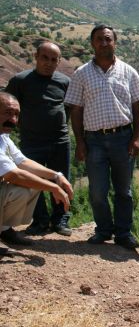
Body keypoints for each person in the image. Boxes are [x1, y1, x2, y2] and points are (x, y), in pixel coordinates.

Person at [64, 24, 139, 249]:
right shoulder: (81, 73)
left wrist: (137, 138)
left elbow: (137, 106)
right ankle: (103, 230)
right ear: (92, 43)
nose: (104, 43)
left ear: (115, 42)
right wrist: (80, 142)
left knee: (124, 191)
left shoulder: (128, 71)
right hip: (94, 141)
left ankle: (123, 233)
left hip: (123, 138)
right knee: (98, 191)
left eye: (108, 39)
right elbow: (76, 110)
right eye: (99, 39)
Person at [5, 41, 72, 238]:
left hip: (59, 141)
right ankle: (40, 221)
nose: (49, 63)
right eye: (45, 58)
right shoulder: (20, 81)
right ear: (36, 57)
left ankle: (60, 219)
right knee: (33, 182)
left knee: (60, 179)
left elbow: (69, 108)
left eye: (54, 59)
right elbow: (7, 106)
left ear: (59, 61)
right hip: (31, 141)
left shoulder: (64, 82)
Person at [0, 92, 73, 256]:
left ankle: (3, 230)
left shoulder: (3, 137)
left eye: (16, 115)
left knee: (32, 185)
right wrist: (53, 188)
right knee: (27, 184)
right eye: (7, 113)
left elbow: (23, 162)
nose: (12, 120)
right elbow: (14, 175)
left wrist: (56, 176)